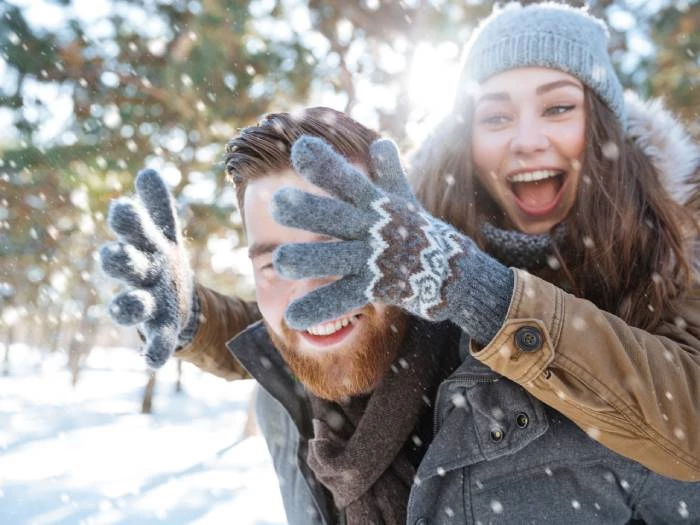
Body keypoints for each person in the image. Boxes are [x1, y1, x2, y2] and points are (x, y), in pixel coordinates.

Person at [99, 3, 700, 524]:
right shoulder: (422, 225)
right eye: (495, 116)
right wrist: (197, 316)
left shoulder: (675, 243)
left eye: (558, 108)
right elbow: (339, 319)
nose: (525, 140)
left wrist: (478, 291)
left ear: (602, 126)